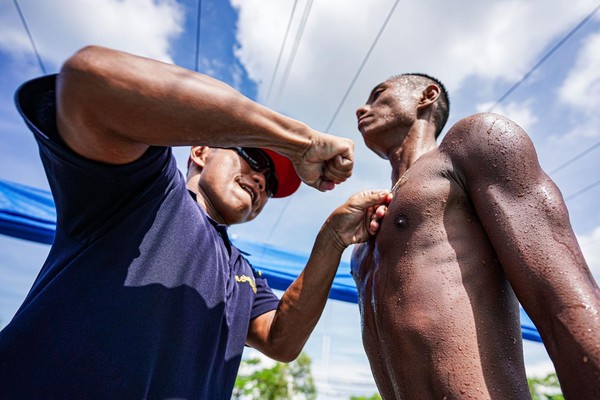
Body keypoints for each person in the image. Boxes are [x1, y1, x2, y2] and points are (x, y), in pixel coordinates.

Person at [0, 45, 390, 399]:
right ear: (201, 152)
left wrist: (332, 239)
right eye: (253, 159)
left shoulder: (243, 273)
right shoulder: (143, 190)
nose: (261, 181)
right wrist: (298, 142)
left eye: (271, 184)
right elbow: (90, 80)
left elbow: (281, 341)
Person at [351, 73, 600, 399]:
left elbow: (563, 300)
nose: (361, 109)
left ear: (427, 96)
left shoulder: (474, 141)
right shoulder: (366, 226)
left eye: (378, 94)